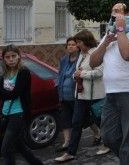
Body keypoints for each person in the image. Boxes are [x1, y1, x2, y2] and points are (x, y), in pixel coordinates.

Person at [89, 2, 129, 165]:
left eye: (118, 11)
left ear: (127, 14)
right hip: (112, 92)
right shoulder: (110, 33)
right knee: (109, 136)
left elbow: (128, 54)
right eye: (112, 11)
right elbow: (93, 62)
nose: (113, 14)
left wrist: (121, 29)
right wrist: (105, 42)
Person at [55, 30, 106, 162]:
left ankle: (108, 143)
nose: (77, 45)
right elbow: (75, 72)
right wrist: (75, 75)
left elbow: (100, 72)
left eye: (79, 42)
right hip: (81, 94)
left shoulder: (96, 52)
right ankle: (70, 152)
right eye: (76, 43)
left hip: (95, 95)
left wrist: (81, 75)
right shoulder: (81, 55)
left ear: (86, 41)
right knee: (76, 123)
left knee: (100, 121)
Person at [0, 45, 44, 165]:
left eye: (13, 56)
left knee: (6, 149)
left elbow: (15, 93)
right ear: (4, 59)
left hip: (18, 113)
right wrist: (5, 93)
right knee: (19, 146)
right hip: (6, 113)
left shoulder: (23, 72)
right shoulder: (5, 73)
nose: (11, 59)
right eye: (7, 57)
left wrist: (4, 93)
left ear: (18, 56)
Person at [55, 37, 80, 152]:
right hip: (64, 95)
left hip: (76, 95)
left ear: (78, 46)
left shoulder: (81, 58)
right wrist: (57, 85)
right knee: (65, 119)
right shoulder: (64, 59)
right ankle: (67, 142)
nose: (70, 46)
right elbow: (60, 74)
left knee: (82, 119)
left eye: (73, 44)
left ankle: (97, 133)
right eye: (68, 44)